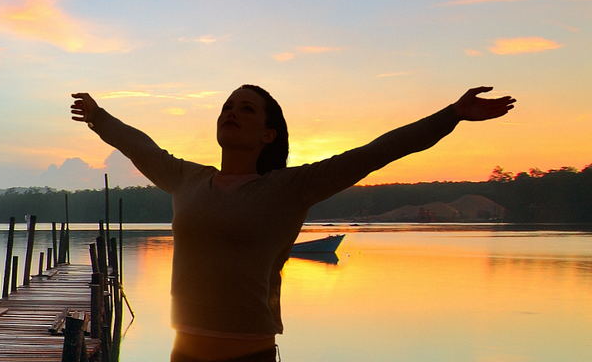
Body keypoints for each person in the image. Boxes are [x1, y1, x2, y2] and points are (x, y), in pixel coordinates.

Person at [69, 85, 515, 362]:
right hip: (183, 352)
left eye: (245, 108)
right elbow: (140, 146)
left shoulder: (290, 188)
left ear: (269, 134)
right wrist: (99, 118)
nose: (231, 112)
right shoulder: (187, 178)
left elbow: (380, 150)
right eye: (227, 106)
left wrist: (453, 114)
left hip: (250, 356)